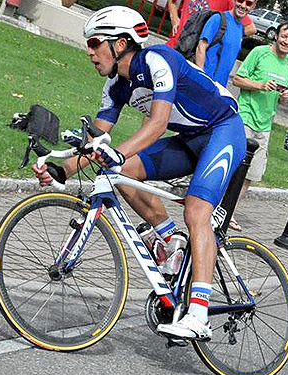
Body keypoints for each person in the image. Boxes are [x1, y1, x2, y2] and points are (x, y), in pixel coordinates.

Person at [32, 6, 247, 341]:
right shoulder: (115, 86)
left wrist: (117, 151)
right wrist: (61, 169)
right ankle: (170, 240)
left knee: (196, 211)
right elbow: (97, 141)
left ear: (120, 44)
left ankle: (198, 315)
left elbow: (158, 124)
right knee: (118, 170)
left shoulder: (156, 60)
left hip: (223, 130)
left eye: (95, 43)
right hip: (190, 140)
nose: (89, 51)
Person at [226, 21, 288, 232]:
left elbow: (284, 98)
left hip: (265, 123)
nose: (286, 41)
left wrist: (285, 96)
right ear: (277, 36)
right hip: (245, 116)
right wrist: (259, 85)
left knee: (251, 174)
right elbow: (238, 79)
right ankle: (213, 206)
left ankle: (229, 213)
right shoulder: (259, 52)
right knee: (234, 165)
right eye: (284, 36)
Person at [194, 0, 256, 86]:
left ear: (253, 7)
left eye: (248, 3)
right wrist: (201, 78)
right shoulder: (218, 19)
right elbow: (201, 47)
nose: (243, 5)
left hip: (219, 87)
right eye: (240, 1)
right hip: (203, 83)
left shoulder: (240, 29)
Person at [166, 0, 256, 48]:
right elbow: (172, 1)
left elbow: (250, 29)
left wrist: (220, 35)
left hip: (194, 52)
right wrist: (174, 19)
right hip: (174, 43)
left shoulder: (228, 1)